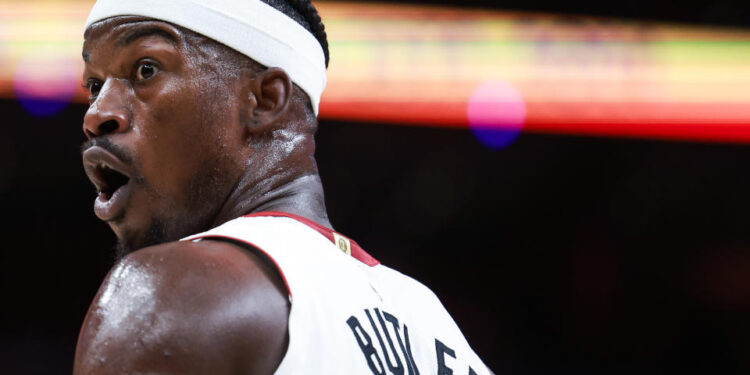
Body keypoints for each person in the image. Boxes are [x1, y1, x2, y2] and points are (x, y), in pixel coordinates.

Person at [74, 0, 492, 373]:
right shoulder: (439, 327)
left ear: (265, 100)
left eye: (146, 69)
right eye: (95, 85)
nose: (97, 114)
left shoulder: (173, 291)